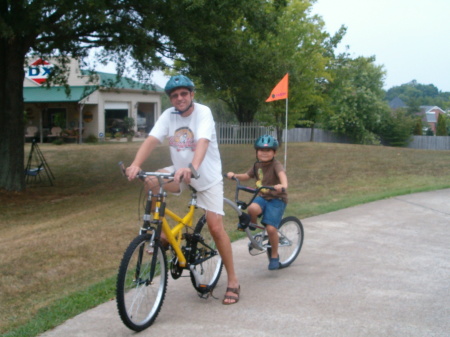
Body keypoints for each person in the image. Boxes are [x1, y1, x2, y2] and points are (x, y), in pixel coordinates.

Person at [126, 75, 240, 305]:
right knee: (151, 180)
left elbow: (203, 143)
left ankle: (233, 281)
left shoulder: (203, 112)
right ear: (170, 99)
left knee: (216, 228)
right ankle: (162, 235)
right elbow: (151, 139)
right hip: (179, 172)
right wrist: (136, 164)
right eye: (174, 95)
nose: (179, 98)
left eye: (183, 94)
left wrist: (192, 167)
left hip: (205, 176)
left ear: (192, 95)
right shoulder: (168, 115)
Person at [226, 135, 288, 270]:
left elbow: (283, 175)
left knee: (271, 229)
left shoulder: (276, 165)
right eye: (260, 150)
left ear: (274, 152)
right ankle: (253, 224)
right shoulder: (257, 165)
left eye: (268, 150)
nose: (264, 153)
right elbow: (247, 176)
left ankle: (274, 256)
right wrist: (235, 176)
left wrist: (282, 185)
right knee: (252, 208)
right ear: (256, 152)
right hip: (262, 196)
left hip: (276, 199)